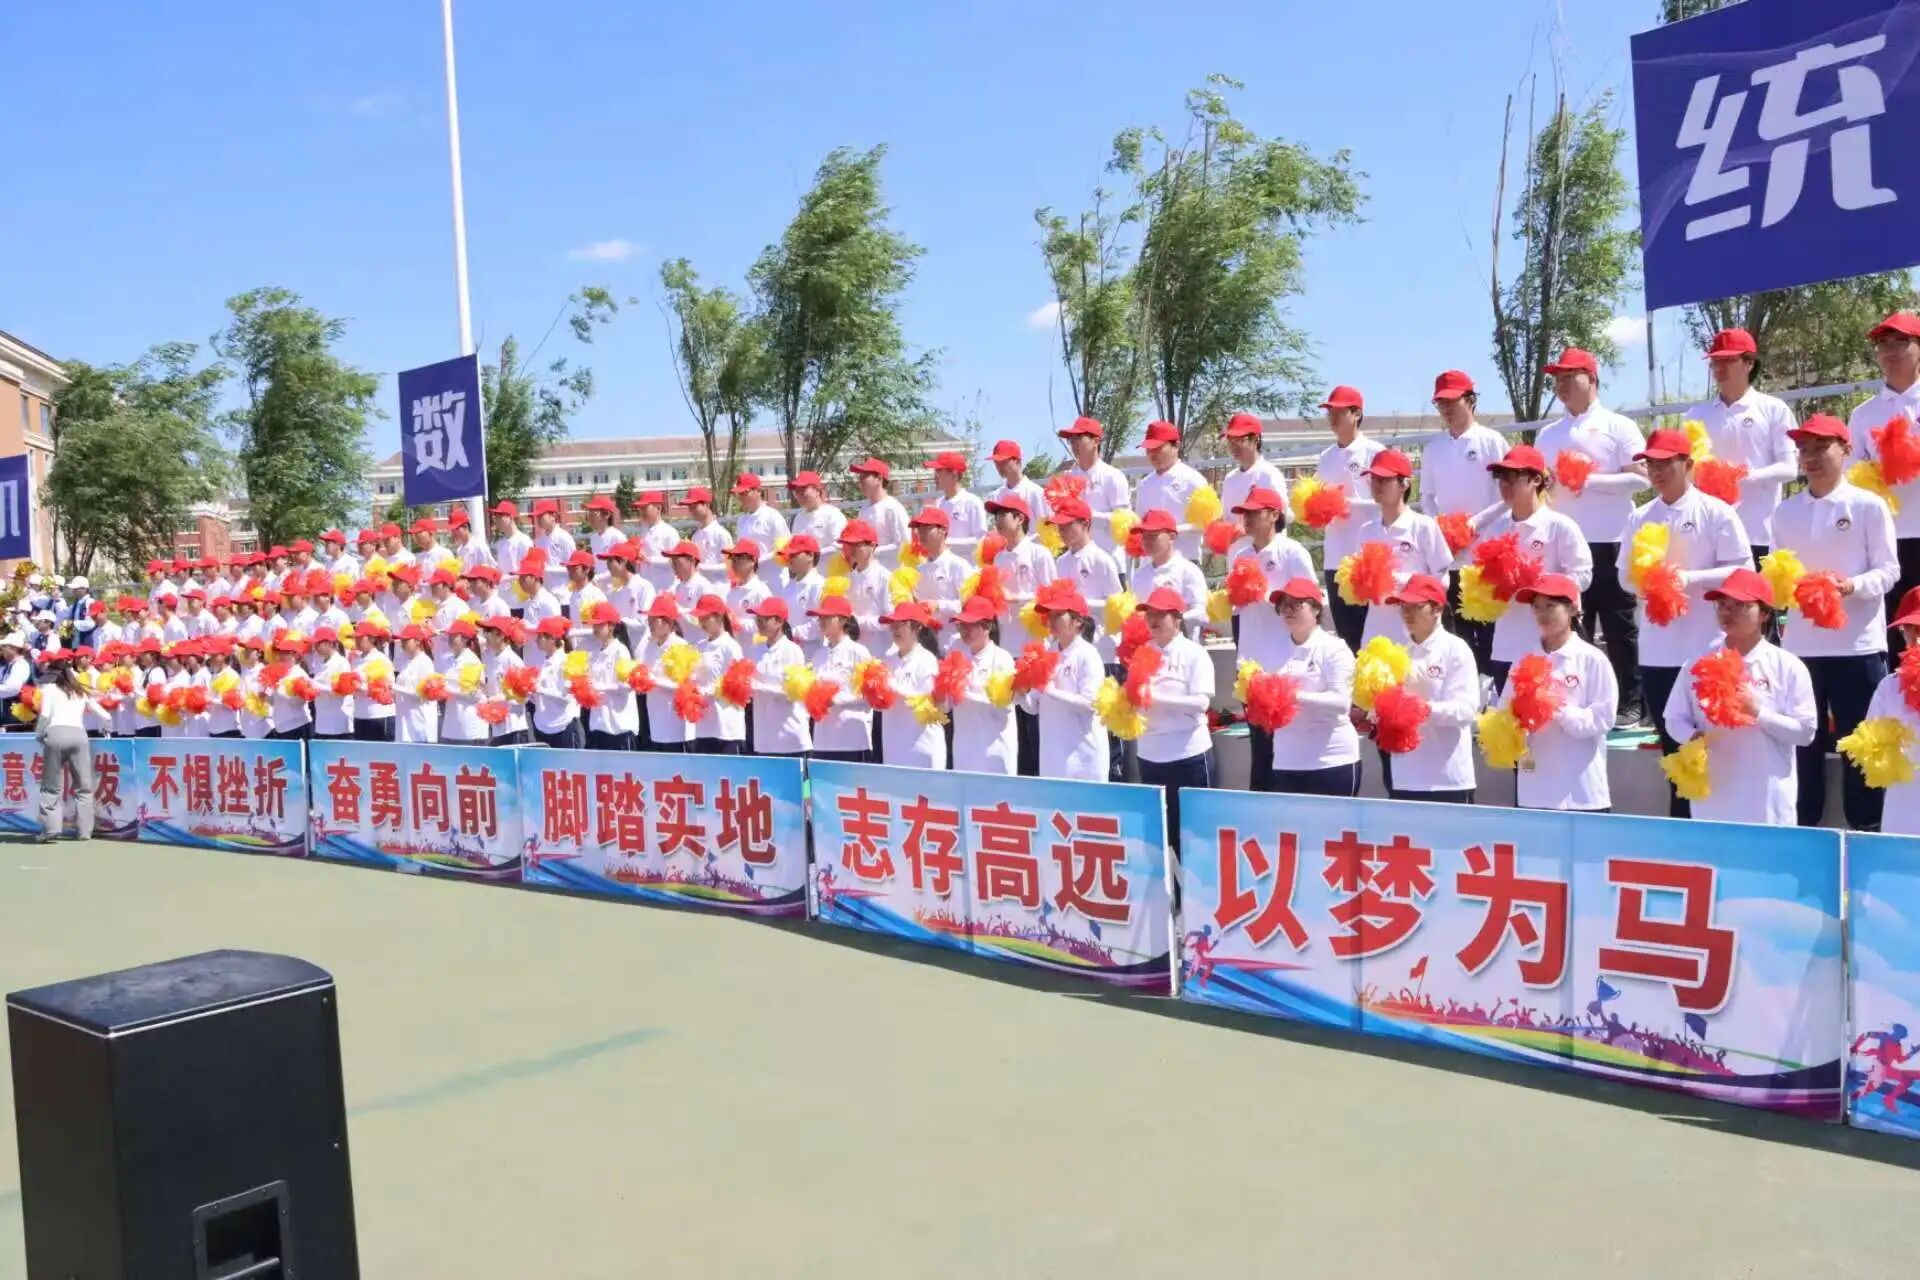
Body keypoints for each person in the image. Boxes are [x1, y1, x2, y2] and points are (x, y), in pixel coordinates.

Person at [1770, 414, 1900, 830]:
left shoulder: (1868, 505)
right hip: (1800, 650)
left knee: (1859, 749)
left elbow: (1889, 571)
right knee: (1802, 751)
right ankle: (1802, 833)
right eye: (1803, 449)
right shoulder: (1785, 512)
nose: (1810, 457)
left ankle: (1867, 833)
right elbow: (1776, 573)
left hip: (1857, 647)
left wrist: (1851, 586)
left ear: (1845, 450)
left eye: (1820, 447)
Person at [1616, 427, 1752, 816]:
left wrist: (1686, 579)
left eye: (1665, 463)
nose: (1657, 472)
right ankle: (1682, 825)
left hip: (1707, 650)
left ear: (1688, 464)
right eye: (1650, 465)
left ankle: (1722, 819)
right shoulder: (1640, 517)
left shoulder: (1716, 511)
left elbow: (1741, 570)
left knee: (1717, 745)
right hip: (1659, 652)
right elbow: (1624, 575)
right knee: (1675, 750)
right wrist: (1648, 583)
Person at [1533, 348, 1648, 724]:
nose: (1562, 385)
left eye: (1570, 377)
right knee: (1572, 626)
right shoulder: (1547, 434)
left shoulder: (1619, 426)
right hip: (1564, 546)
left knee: (1619, 626)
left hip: (1611, 539)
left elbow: (1642, 478)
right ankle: (1577, 699)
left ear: (1593, 380)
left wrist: (1589, 479)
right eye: (1558, 379)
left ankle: (1630, 700)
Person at [1661, 568, 1816, 827]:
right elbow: (1674, 719)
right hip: (1712, 800)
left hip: (1767, 802)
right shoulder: (1697, 663)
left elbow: (1805, 733)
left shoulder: (1787, 666)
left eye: (1740, 605)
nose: (1727, 612)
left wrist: (1758, 713)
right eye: (1722, 604)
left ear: (1764, 613)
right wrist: (1692, 736)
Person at [1472, 445, 1593, 693]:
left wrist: (1541, 585)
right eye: (1500, 477)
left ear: (1536, 479)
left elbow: (1583, 575)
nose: (1504, 484)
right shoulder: (1495, 530)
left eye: (1512, 477)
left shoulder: (1560, 526)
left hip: (1552, 645)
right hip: (1506, 644)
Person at [1504, 575, 1618, 812]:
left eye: (1550, 606)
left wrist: (1554, 707)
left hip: (1581, 793)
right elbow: (1504, 711)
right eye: (1536, 607)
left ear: (1573, 609)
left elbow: (1603, 719)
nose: (1542, 614)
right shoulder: (1523, 658)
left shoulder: (1592, 659)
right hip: (1534, 793)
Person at [1419, 371, 1508, 664]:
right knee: (1459, 632)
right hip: (1450, 555)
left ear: (1470, 400)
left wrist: (1473, 525)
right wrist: (1440, 529)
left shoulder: (1492, 441)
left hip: (1486, 553)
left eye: (1452, 401)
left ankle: (1493, 684)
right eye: (1440, 403)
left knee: (1492, 630)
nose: (1446, 408)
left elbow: (1507, 495)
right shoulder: (1434, 449)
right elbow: (1427, 496)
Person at [1689, 328, 1798, 565]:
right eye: (1715, 362)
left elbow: (1789, 468)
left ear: (1749, 363)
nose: (1719, 368)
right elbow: (1687, 473)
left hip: (1758, 532)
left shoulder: (1773, 409)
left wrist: (1742, 476)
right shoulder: (1696, 414)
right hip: (1710, 534)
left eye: (1728, 360)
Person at [1245, 578, 1360, 796]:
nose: (1288, 610)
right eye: (1283, 605)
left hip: (1331, 761)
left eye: (1296, 604)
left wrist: (1293, 695)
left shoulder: (1334, 648)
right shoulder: (1273, 650)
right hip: (1286, 762)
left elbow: (1342, 703)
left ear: (1316, 608)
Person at [1374, 575, 1478, 803]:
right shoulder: (1396, 651)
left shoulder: (1456, 649)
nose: (1407, 613)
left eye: (1416, 606)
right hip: (1404, 776)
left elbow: (1467, 710)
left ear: (1437, 608)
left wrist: (1422, 709)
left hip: (1448, 779)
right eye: (1403, 607)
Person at [1852, 312, 1920, 655]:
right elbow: (1850, 476)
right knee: (1897, 631)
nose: (1890, 352)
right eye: (1882, 344)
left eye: (1900, 342)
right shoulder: (1864, 414)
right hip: (1887, 539)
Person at [1053, 496, 1129, 778]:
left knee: (1108, 727)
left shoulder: (1102, 559)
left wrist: (1082, 606)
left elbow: (1118, 605)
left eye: (1068, 525)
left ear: (1086, 524)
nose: (1062, 531)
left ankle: (1114, 779)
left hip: (1104, 651)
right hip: (1072, 651)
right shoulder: (1061, 563)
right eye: (1059, 526)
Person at [1134, 587, 1216, 841]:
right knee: (1159, 836)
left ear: (1178, 618)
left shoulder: (1195, 653)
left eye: (1161, 614)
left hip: (1188, 755)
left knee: (1194, 836)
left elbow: (1201, 703)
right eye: (1149, 614)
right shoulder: (1141, 653)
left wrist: (1156, 699)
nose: (1153, 620)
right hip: (1150, 756)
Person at [1352, 449, 1451, 646]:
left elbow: (1443, 580)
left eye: (1384, 479)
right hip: (1376, 633)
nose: (1377, 485)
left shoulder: (1424, 526)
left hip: (1416, 636)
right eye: (1374, 479)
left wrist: (1401, 582)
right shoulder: (1366, 531)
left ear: (1405, 483)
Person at [1314, 385, 1387, 648]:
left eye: (1339, 412)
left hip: (1367, 557)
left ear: (1356, 414)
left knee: (1374, 635)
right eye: (1329, 412)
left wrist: (1346, 503)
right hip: (1335, 556)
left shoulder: (1375, 452)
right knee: (1346, 637)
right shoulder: (1325, 458)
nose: (1332, 418)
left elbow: (1387, 501)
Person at [1028, 586, 1109, 782]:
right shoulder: (1048, 653)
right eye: (1050, 615)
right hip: (1052, 758)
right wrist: (1021, 693)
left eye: (1058, 615)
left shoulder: (1088, 654)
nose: (1051, 620)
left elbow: (1090, 704)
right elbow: (1032, 707)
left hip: (1083, 758)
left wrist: (1051, 691)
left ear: (1077, 621)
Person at [1866, 587, 1920, 836]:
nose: (1916, 639)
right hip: (1901, 814)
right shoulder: (1889, 686)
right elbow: (1868, 750)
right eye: (1910, 629)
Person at [33, 656, 105, 843]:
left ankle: (51, 828)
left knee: (51, 785)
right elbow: (103, 714)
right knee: (83, 786)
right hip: (79, 736)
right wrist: (108, 728)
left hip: (56, 734)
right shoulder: (80, 691)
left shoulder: (49, 689)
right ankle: (84, 831)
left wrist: (39, 734)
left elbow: (45, 716)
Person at [946, 595, 1017, 775]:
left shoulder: (1002, 658)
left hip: (995, 752)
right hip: (964, 752)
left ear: (987, 626)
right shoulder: (956, 655)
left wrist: (964, 693)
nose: (965, 630)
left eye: (971, 625)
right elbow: (945, 706)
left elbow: (1003, 706)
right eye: (962, 625)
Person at [877, 602, 946, 769]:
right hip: (893, 748)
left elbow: (927, 701)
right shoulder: (887, 661)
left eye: (901, 624)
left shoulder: (927, 660)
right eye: (892, 625)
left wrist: (891, 685)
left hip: (922, 749)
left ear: (916, 628)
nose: (895, 630)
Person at [808, 596, 874, 763]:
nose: (821, 621)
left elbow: (869, 695)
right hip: (823, 740)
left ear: (844, 620)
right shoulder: (818, 655)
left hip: (852, 739)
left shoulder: (859, 652)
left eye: (827, 617)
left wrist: (836, 700)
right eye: (820, 617)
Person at [1133, 420, 1210, 563]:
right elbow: (1140, 521)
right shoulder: (1145, 484)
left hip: (1185, 560)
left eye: (1158, 448)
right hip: (1151, 565)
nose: (1152, 454)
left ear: (1176, 446)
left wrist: (1173, 530)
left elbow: (1207, 523)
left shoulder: (1194, 480)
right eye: (1148, 449)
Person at [1058, 416, 1133, 553]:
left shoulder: (1113, 476)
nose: (1074, 444)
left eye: (1079, 438)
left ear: (1096, 441)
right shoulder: (1067, 478)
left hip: (1109, 554)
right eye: (1071, 440)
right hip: (1077, 556)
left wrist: (1089, 515)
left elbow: (1125, 520)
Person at [1129, 509, 1209, 636]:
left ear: (1172, 537)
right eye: (1144, 536)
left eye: (1153, 535)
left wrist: (1169, 623)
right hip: (1148, 646)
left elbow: (1200, 613)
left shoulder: (1189, 571)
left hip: (1182, 645)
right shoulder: (1139, 576)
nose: (1146, 541)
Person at [747, 599, 810, 758]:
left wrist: (758, 687)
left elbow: (794, 692)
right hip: (764, 738)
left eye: (765, 619)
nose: (759, 623)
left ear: (779, 621)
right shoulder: (755, 650)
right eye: (758, 619)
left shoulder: (792, 650)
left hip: (790, 737)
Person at [690, 595, 747, 755]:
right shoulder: (699, 646)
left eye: (705, 618)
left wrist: (705, 692)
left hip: (726, 727)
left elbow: (737, 684)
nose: (701, 623)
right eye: (700, 618)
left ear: (719, 616)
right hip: (704, 726)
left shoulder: (731, 646)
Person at [582, 601, 640, 752]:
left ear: (611, 626)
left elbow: (626, 686)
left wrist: (599, 687)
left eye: (599, 625)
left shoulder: (621, 651)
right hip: (599, 725)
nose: (595, 629)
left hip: (619, 726)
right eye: (594, 625)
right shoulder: (594, 654)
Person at [637, 598, 694, 753]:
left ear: (667, 622)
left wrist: (654, 681)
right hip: (654, 715)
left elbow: (684, 686)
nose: (650, 624)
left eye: (653, 620)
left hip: (674, 719)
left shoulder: (680, 646)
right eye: (650, 619)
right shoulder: (649, 645)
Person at [908, 508, 971, 644]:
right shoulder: (918, 570)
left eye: (927, 528)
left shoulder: (958, 566)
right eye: (919, 529)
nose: (921, 533)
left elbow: (969, 606)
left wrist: (939, 606)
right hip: (925, 644)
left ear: (943, 530)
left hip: (954, 642)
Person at [1219, 413, 1289, 532]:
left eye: (1240, 440)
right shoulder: (1229, 479)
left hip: (1265, 543)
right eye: (1230, 440)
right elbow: (1226, 519)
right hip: (1236, 543)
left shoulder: (1269, 475)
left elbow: (1282, 517)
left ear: (1256, 439)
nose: (1234, 446)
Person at [529, 615, 585, 751]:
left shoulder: (568, 662)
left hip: (564, 726)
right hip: (544, 727)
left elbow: (565, 698)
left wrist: (539, 690)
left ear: (552, 638)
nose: (537, 640)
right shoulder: (543, 662)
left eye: (541, 636)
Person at [730, 473, 791, 587]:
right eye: (739, 494)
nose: (741, 497)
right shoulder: (742, 520)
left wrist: (756, 560)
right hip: (751, 582)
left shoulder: (772, 516)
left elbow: (785, 549)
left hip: (774, 580)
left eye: (745, 493)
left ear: (758, 491)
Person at [837, 520, 893, 643]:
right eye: (848, 545)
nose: (851, 549)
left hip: (880, 647)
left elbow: (889, 620)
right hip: (854, 646)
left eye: (856, 544)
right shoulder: (846, 579)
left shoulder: (885, 577)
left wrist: (856, 621)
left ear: (872, 545)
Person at [852, 458, 912, 571]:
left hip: (891, 573)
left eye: (864, 477)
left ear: (879, 478)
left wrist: (873, 550)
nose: (860, 482)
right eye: (860, 478)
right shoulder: (864, 509)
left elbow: (905, 543)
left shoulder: (893, 508)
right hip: (869, 573)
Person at [479, 617, 531, 747]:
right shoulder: (488, 657)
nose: (485, 635)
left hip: (513, 727)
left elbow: (525, 695)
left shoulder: (513, 661)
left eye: (488, 631)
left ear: (501, 635)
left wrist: (499, 698)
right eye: (485, 631)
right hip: (495, 726)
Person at [929, 452, 989, 563]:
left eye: (939, 471)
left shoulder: (972, 502)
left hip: (968, 567)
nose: (935, 476)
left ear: (954, 475)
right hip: (944, 566)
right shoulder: (937, 504)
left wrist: (947, 543)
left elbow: (981, 540)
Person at [778, 535, 827, 667]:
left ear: (810, 555)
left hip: (810, 651)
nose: (790, 558)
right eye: (789, 555)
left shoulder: (819, 585)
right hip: (788, 649)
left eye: (794, 554)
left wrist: (791, 633)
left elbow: (819, 624)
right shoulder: (788, 586)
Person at [438, 619, 489, 746]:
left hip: (470, 726)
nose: (450, 639)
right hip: (452, 725)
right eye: (449, 636)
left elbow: (474, 695)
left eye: (454, 636)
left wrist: (446, 690)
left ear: (465, 639)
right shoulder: (448, 660)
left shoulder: (471, 661)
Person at [392, 623, 440, 744]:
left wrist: (394, 687)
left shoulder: (425, 662)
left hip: (420, 722)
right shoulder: (406, 663)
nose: (402, 644)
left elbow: (422, 694)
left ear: (417, 641)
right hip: (405, 720)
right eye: (401, 641)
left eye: (406, 641)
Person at [663, 541, 719, 640]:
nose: (673, 564)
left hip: (702, 642)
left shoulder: (703, 586)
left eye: (677, 559)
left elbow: (707, 619)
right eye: (672, 560)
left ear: (691, 560)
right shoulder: (677, 587)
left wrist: (677, 609)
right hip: (685, 642)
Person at [985, 441, 1047, 529]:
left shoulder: (1036, 492)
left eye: (1003, 462)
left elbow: (1047, 528)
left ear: (1017, 461)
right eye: (996, 462)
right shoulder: (996, 495)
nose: (999, 467)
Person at [308, 627, 354, 740]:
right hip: (323, 721)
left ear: (329, 643)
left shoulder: (341, 663)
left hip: (338, 723)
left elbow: (343, 691)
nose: (315, 647)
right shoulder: (320, 662)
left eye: (318, 644)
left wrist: (317, 686)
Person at [631, 491, 681, 594]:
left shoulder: (669, 532)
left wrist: (649, 560)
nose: (642, 511)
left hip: (665, 589)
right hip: (646, 589)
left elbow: (677, 562)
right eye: (640, 508)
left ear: (658, 508)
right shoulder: (643, 531)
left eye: (645, 508)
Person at [788, 471, 848, 553]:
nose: (799, 494)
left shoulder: (833, 515)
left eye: (803, 489)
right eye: (796, 491)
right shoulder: (798, 518)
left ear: (817, 491)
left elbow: (840, 545)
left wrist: (814, 555)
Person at [684, 487, 732, 587]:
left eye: (694, 506)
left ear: (706, 504)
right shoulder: (695, 536)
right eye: (689, 507)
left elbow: (730, 565)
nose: (691, 510)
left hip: (719, 586)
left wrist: (702, 567)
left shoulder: (721, 534)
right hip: (701, 587)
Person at [529, 499, 576, 596]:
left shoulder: (564, 538)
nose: (538, 519)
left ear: (553, 516)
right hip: (546, 592)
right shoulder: (539, 541)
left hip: (563, 592)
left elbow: (573, 567)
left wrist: (547, 568)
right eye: (537, 516)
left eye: (541, 516)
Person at [581, 494, 626, 580]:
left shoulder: (617, 537)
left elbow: (622, 566)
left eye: (593, 512)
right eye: (589, 512)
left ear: (606, 515)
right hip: (598, 584)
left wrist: (599, 578)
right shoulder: (593, 538)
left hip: (615, 585)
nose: (590, 516)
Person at [0, 634, 30, 724]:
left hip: (19, 715)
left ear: (14, 649)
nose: (2, 649)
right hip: (11, 713)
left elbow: (11, 689)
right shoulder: (10, 665)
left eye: (4, 646)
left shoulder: (20, 665)